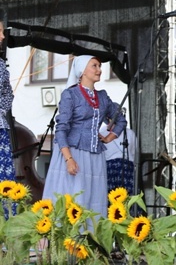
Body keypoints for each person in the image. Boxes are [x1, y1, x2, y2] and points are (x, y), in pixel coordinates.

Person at [43, 55, 126, 219]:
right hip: (73, 153)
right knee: (74, 200)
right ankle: (67, 242)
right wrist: (68, 159)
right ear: (82, 71)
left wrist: (110, 137)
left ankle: (90, 241)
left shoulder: (102, 96)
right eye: (94, 66)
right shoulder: (70, 94)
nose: (99, 70)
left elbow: (120, 119)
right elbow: (61, 129)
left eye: (100, 66)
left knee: (93, 199)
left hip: (95, 157)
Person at [100, 109, 137, 197]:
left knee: (111, 197)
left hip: (109, 168)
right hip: (127, 166)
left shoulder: (101, 132)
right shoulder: (130, 133)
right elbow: (134, 152)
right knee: (127, 197)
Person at [0, 18, 15, 184]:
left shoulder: (0, 65)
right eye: (0, 31)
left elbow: (8, 93)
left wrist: (1, 110)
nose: (3, 37)